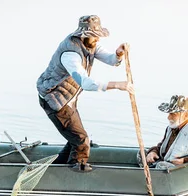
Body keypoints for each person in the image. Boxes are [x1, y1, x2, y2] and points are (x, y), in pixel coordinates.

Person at [37, 15, 134, 171]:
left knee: (75, 138)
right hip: (55, 100)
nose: (97, 40)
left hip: (67, 100)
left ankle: (57, 168)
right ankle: (76, 168)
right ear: (83, 34)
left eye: (98, 36)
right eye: (94, 36)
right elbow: (86, 83)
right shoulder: (71, 54)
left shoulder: (90, 43)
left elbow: (111, 60)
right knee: (81, 140)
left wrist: (118, 54)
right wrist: (117, 85)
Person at [145, 95, 188, 168]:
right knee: (142, 153)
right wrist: (153, 151)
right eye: (169, 113)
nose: (168, 117)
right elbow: (162, 146)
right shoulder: (171, 127)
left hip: (178, 171)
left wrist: (185, 160)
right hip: (163, 162)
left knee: (161, 165)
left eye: (173, 114)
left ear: (185, 115)